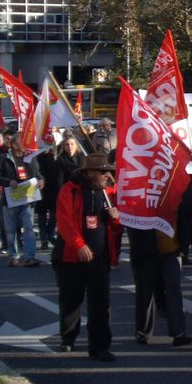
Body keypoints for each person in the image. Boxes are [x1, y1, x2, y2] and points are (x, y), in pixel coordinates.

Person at [53, 152, 122, 361]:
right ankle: (68, 337)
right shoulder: (70, 191)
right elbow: (65, 222)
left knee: (101, 303)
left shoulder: (110, 193)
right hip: (71, 258)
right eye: (102, 172)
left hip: (100, 258)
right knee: (71, 299)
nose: (105, 176)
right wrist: (79, 245)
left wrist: (116, 219)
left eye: (107, 172)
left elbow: (117, 230)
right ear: (89, 173)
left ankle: (99, 346)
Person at [127, 186, 192, 348]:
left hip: (171, 249)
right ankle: (143, 331)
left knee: (174, 289)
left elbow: (185, 214)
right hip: (146, 250)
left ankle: (178, 332)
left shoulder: (176, 190)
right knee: (146, 290)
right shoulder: (139, 191)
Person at [0, 131, 42, 267]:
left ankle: (29, 257)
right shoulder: (3, 157)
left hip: (28, 198)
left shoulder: (30, 157)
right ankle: (13, 256)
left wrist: (41, 181)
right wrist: (8, 182)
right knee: (11, 230)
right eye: (22, 141)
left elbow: (37, 174)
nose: (25, 143)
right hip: (11, 199)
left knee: (29, 228)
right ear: (14, 145)